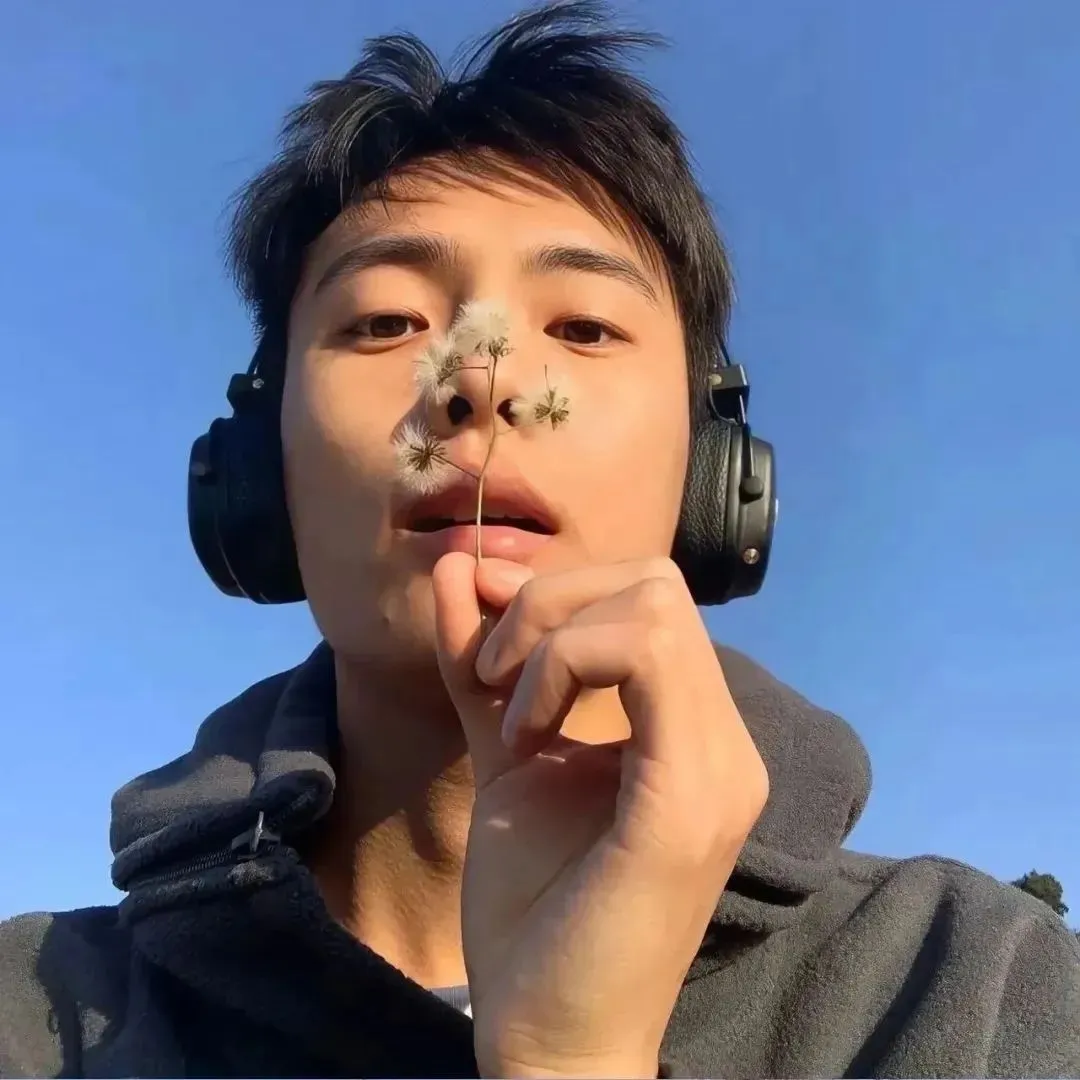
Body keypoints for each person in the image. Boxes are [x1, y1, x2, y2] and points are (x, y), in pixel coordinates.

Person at [2, 3, 1077, 1077]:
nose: (482, 380)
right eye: (384, 322)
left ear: (714, 474)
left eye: (585, 327)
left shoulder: (981, 994)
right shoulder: (31, 1017)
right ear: (254, 466)